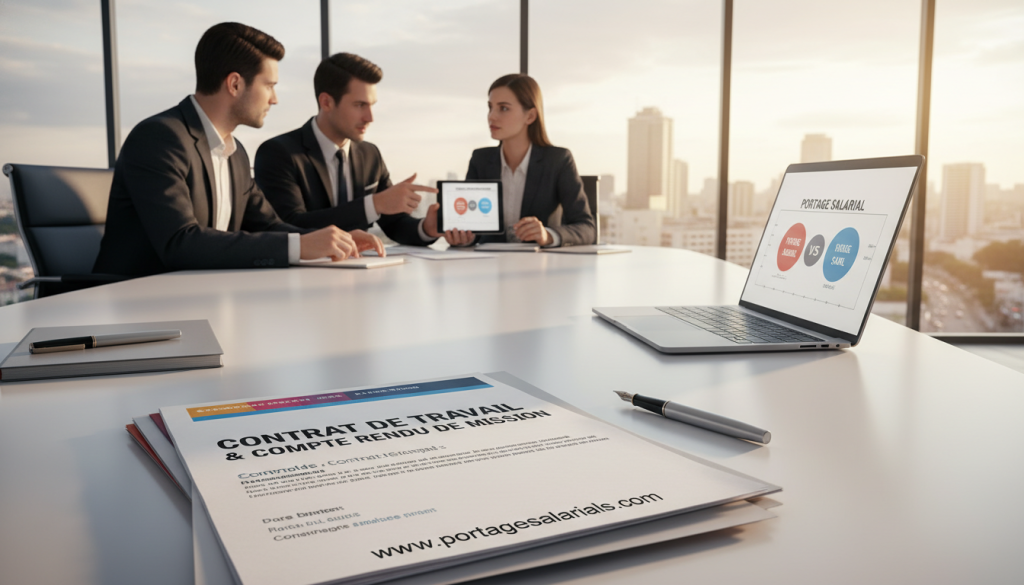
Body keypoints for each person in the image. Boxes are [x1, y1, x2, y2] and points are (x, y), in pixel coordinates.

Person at [93, 23, 381, 278]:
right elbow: (180, 243)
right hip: (137, 301)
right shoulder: (159, 138)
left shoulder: (235, 153)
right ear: (234, 84)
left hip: (200, 295)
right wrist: (299, 246)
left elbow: (268, 226)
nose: (274, 99)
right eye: (269, 86)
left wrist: (333, 239)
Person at [254, 53, 439, 245]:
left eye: (372, 105)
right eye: (360, 105)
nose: (370, 117)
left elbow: (394, 223)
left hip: (360, 263)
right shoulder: (278, 153)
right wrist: (373, 204)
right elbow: (289, 225)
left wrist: (426, 228)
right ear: (326, 102)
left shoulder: (370, 155)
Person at [442, 74, 595, 247]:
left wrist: (547, 235)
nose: (492, 116)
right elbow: (473, 227)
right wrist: (465, 237)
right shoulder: (481, 160)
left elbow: (587, 228)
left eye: (503, 108)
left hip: (539, 262)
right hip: (489, 261)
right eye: (490, 108)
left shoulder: (558, 160)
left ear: (530, 116)